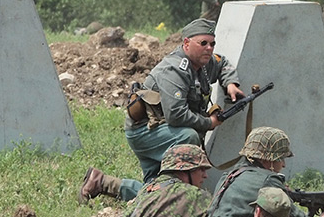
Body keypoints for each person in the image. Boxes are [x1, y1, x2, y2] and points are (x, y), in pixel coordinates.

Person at [79, 18, 244, 202]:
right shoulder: (174, 69)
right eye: (203, 43)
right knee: (188, 137)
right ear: (187, 43)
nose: (209, 48)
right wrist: (208, 123)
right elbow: (176, 115)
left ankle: (102, 182)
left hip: (163, 130)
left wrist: (231, 84)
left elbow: (222, 63)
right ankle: (186, 195)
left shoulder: (204, 63)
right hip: (146, 131)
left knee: (157, 195)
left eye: (212, 44)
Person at [190, 127, 324, 217]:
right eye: (281, 158)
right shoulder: (268, 180)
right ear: (269, 159)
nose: (283, 164)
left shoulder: (230, 175)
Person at [81, 145, 213, 217]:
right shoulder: (194, 194)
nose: (205, 175)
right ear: (185, 170)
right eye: (201, 169)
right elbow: (219, 214)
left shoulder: (150, 187)